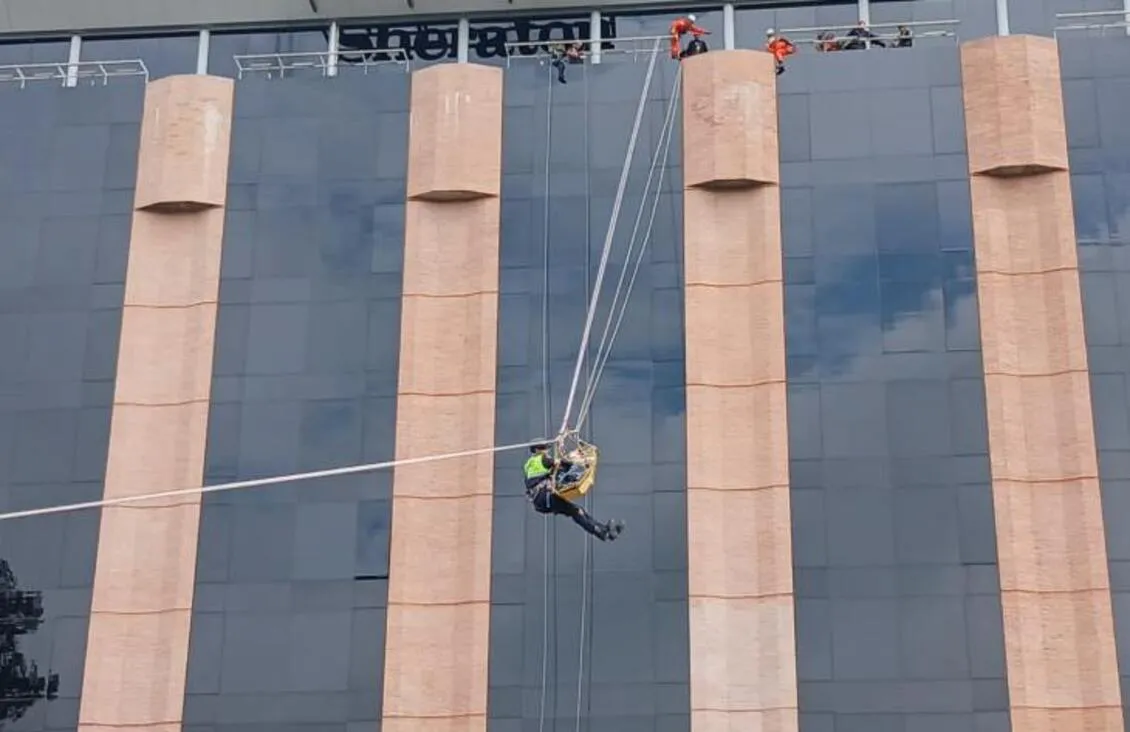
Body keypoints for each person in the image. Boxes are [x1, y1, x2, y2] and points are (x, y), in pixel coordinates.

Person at [524, 443, 624, 542]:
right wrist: (578, 458)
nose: (546, 451)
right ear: (537, 450)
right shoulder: (541, 458)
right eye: (543, 448)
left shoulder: (528, 465)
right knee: (576, 511)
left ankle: (604, 530)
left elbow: (538, 478)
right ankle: (602, 533)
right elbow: (564, 464)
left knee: (578, 510)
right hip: (545, 496)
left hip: (540, 500)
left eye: (546, 448)